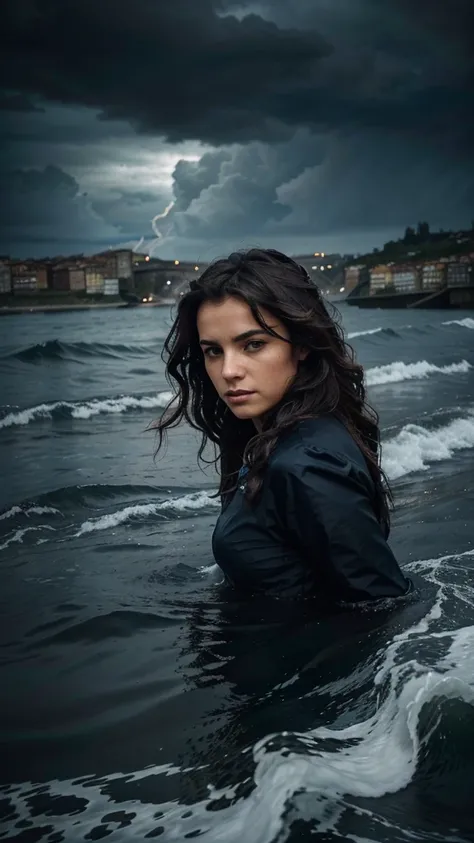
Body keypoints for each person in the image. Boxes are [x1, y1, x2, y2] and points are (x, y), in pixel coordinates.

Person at [153, 248, 411, 603]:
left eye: (253, 344)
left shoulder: (305, 466)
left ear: (302, 344)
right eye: (213, 351)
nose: (229, 371)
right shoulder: (283, 439)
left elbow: (382, 602)